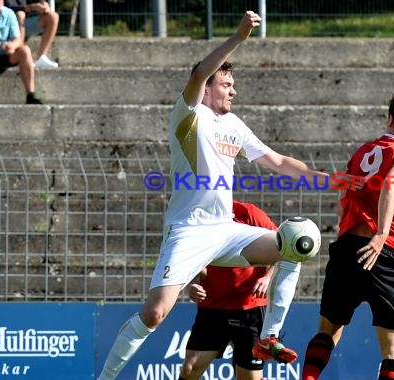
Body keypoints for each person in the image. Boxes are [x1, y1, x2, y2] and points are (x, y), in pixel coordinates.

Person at [97, 10, 329, 380]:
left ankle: (267, 337)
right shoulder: (187, 115)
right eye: (226, 84)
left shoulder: (233, 124)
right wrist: (237, 38)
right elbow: (197, 74)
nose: (233, 90)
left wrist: (324, 180)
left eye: (233, 84)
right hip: (188, 230)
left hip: (225, 230)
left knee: (296, 242)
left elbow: (279, 161)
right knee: (155, 313)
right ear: (207, 87)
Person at [301, 92, 394, 380]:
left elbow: (343, 199)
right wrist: (382, 233)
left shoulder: (363, 152)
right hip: (383, 250)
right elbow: (393, 181)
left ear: (389, 119)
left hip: (347, 247)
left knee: (328, 331)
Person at [183, 201, 275, 380]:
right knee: (190, 368)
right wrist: (192, 283)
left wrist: (267, 277)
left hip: (249, 308)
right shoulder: (196, 217)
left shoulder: (249, 213)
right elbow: (189, 257)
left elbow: (284, 246)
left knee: (249, 378)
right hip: (212, 307)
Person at [0, 0, 42, 104]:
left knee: (25, 50)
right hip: (0, 49)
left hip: (3, 55)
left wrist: (12, 45)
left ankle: (31, 94)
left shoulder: (9, 14)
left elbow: (18, 39)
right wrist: (0, 45)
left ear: (3, 3)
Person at [4, 0, 59, 69]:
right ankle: (21, 56)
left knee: (53, 16)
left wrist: (44, 5)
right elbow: (4, 8)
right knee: (20, 14)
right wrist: (30, 7)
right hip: (7, 26)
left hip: (25, 23)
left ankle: (41, 57)